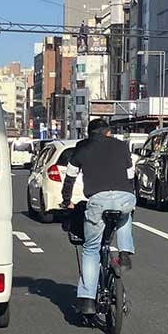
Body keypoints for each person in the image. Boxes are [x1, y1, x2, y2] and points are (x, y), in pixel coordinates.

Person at [60, 118, 136, 316]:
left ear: (89, 134)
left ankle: (87, 300)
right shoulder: (122, 146)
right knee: (125, 216)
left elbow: (70, 177)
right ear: (108, 132)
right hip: (125, 197)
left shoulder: (82, 147)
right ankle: (125, 254)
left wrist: (66, 200)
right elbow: (130, 176)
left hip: (98, 200)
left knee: (91, 249)